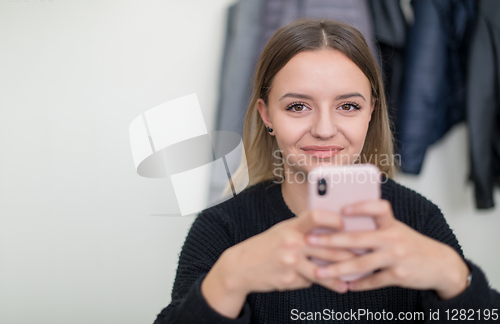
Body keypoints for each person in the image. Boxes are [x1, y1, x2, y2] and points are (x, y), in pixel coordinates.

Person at [154, 18, 500, 323]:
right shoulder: (222, 228)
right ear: (267, 115)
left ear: (370, 113)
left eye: (348, 106)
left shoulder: (420, 220)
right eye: (298, 106)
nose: (323, 129)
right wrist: (228, 279)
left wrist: (457, 279)